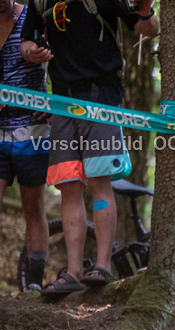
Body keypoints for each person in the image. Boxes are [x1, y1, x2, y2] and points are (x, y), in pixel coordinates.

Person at [19, 0, 158, 295]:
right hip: (62, 102)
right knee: (69, 186)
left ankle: (103, 266)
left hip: (102, 100)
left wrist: (145, 10)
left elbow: (149, 29)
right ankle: (72, 273)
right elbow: (26, 40)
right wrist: (32, 52)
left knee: (98, 181)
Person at [0, 1, 49, 292]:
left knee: (33, 205)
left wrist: (54, 104)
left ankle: (34, 285)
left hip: (33, 127)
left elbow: (62, 54)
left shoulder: (31, 16)